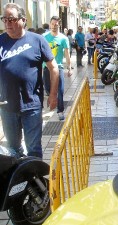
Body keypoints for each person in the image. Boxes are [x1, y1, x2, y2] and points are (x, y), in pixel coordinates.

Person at [0, 3, 59, 158]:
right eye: (4, 19)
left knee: (33, 149)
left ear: (23, 20)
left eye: (11, 19)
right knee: (13, 149)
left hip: (32, 105)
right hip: (7, 106)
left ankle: (35, 181)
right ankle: (18, 180)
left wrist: (53, 95)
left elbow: (53, 68)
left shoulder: (37, 40)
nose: (7, 23)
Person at [43, 16, 72, 121]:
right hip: (46, 68)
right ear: (50, 24)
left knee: (60, 90)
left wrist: (69, 68)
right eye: (52, 24)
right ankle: (52, 100)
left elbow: (67, 54)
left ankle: (60, 110)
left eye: (56, 24)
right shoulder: (44, 37)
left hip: (58, 68)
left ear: (59, 25)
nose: (54, 26)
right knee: (47, 89)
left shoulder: (63, 38)